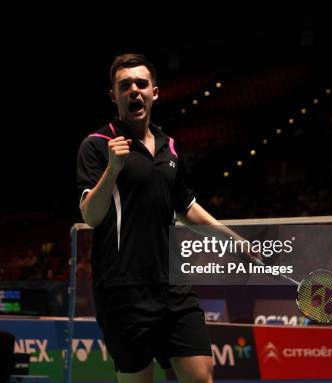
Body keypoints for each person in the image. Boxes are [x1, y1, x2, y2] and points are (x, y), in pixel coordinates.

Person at [77, 54, 256, 383]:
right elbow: (91, 215)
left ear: (154, 92)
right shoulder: (97, 145)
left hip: (171, 284)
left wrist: (234, 240)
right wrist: (112, 171)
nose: (134, 90)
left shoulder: (169, 146)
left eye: (141, 84)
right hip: (122, 289)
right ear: (113, 95)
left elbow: (186, 206)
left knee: (201, 376)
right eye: (125, 85)